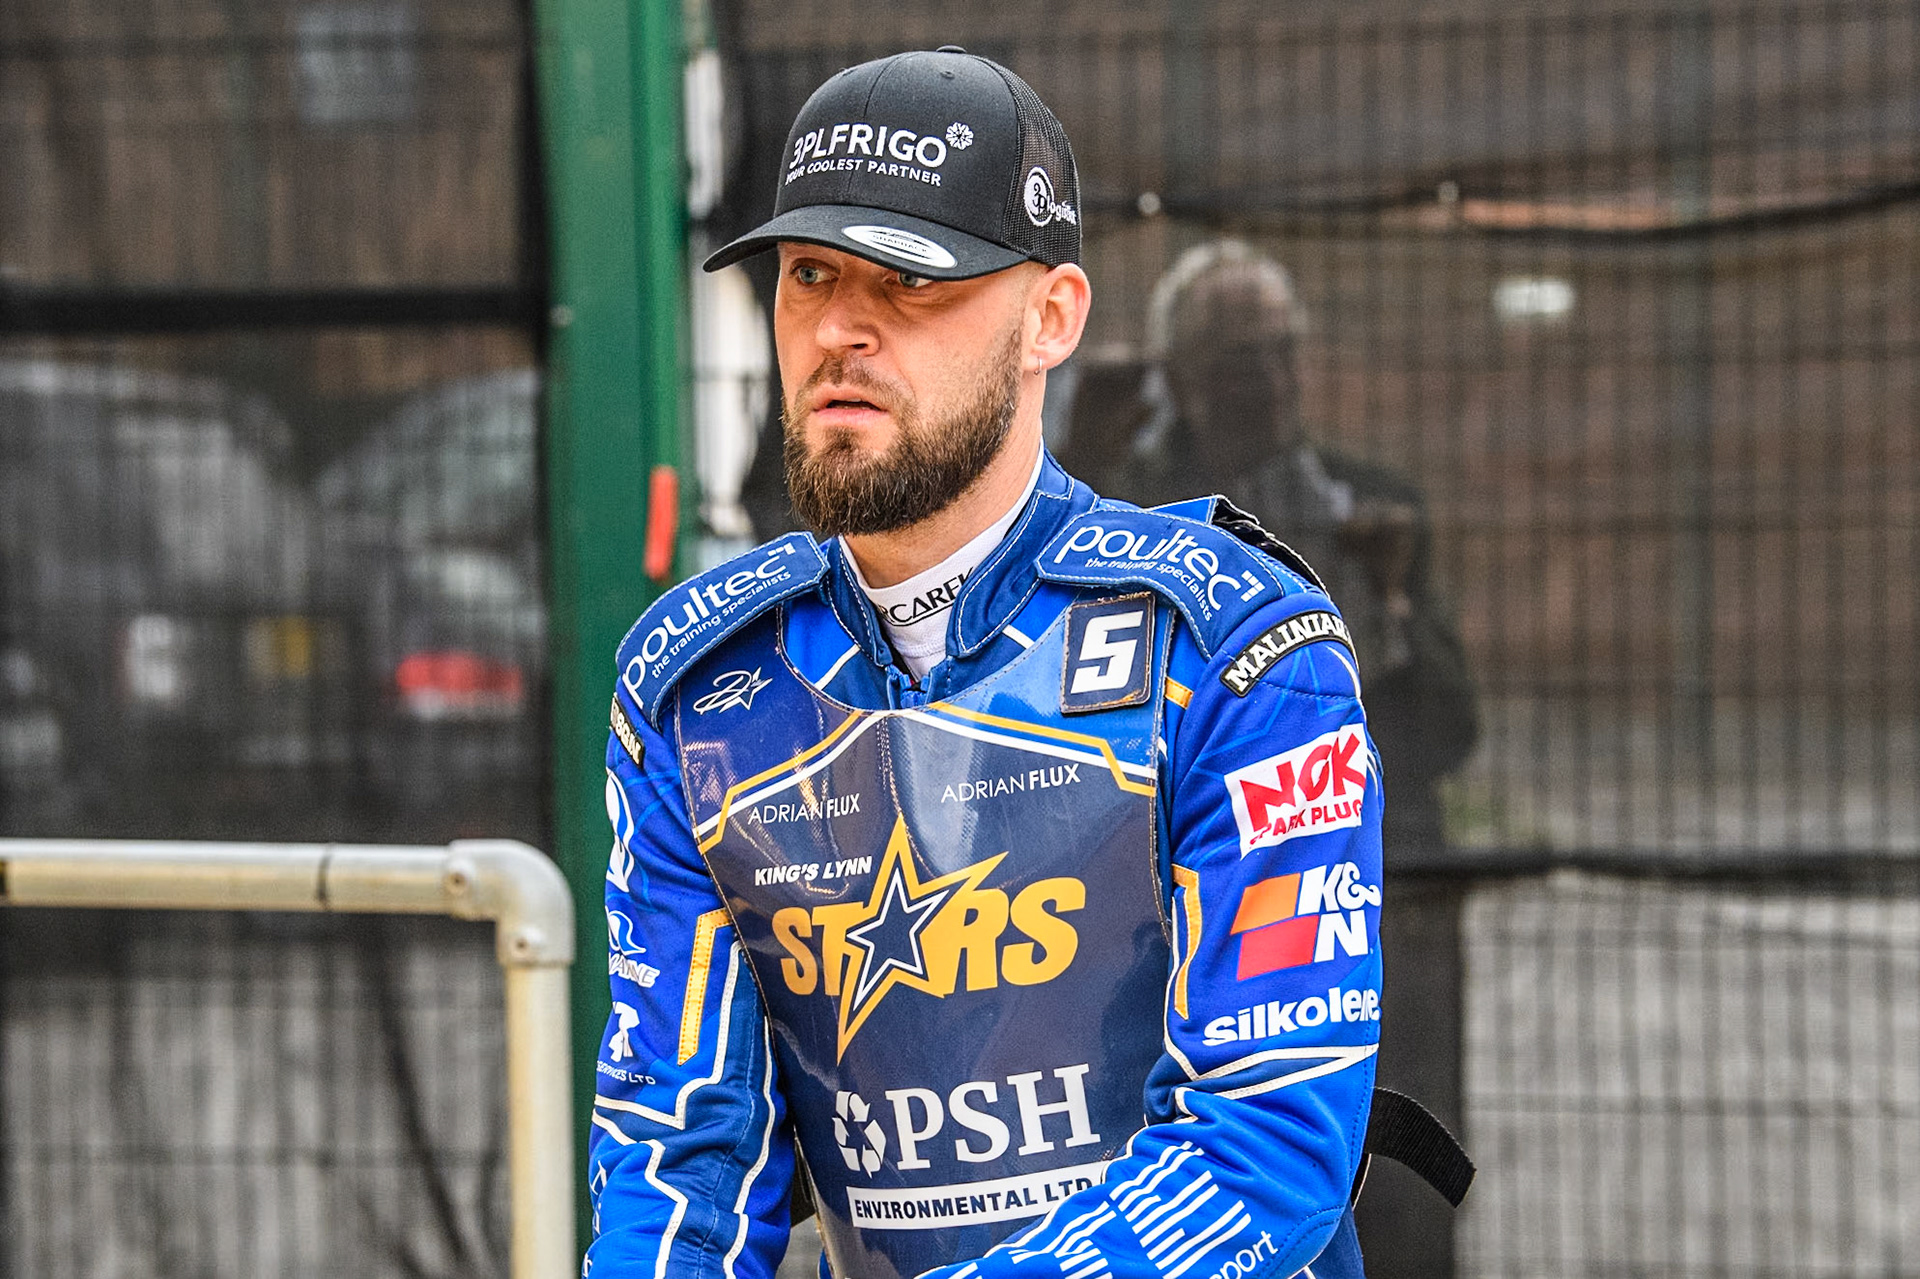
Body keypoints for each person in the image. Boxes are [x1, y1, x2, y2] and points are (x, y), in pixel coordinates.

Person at [588, 51, 1383, 1279]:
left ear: (1049, 319)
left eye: (912, 279)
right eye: (809, 275)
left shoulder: (1237, 644)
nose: (842, 328)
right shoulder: (693, 684)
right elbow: (680, 1145)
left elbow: (1264, 1146)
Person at [1134, 243, 1478, 863]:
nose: (1273, 381)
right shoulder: (1133, 516)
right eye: (1242, 361)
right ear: (1183, 378)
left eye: (1283, 351)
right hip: (1201, 859)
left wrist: (1391, 603)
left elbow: (1451, 730)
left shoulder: (1373, 509)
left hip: (1377, 858)